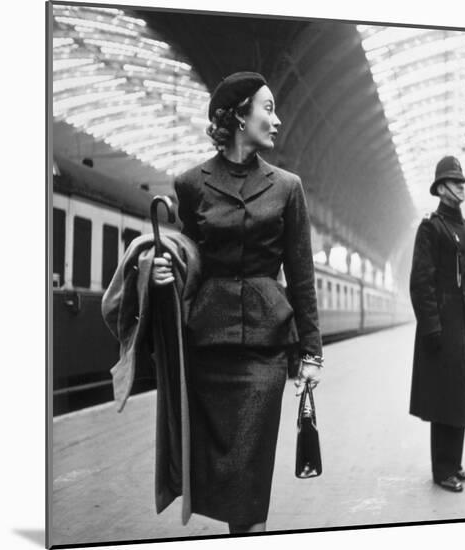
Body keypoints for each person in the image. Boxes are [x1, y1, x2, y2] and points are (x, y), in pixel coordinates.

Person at [152, 72, 323, 532]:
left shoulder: (288, 188)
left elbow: (302, 278)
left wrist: (310, 354)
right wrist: (165, 273)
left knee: (249, 488)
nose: (277, 119)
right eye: (267, 108)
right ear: (238, 116)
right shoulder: (191, 184)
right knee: (224, 488)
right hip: (209, 349)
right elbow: (190, 259)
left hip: (267, 351)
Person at [409, 155, 465, 493]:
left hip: (463, 326)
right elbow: (420, 282)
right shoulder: (431, 227)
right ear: (440, 188)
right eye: (454, 181)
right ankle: (442, 471)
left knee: (461, 396)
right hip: (441, 328)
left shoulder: (464, 228)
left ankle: (455, 464)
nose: (460, 185)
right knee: (444, 399)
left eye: (462, 181)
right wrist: (431, 326)